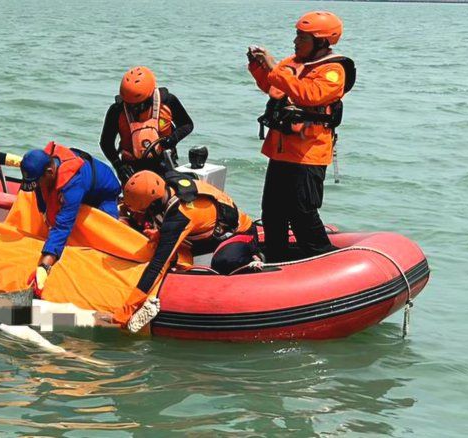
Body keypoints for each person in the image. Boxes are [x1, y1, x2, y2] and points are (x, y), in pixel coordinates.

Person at [247, 11, 356, 262]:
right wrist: (259, 67)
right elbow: (274, 87)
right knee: (272, 210)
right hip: (281, 150)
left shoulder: (333, 70)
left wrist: (274, 67)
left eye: (301, 37)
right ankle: (276, 256)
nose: (295, 41)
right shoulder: (293, 62)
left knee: (302, 211)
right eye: (296, 35)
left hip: (308, 154)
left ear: (321, 41)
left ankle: (323, 259)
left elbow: (309, 95)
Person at [117, 171, 256, 332]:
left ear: (154, 204)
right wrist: (161, 234)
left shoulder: (180, 216)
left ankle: (251, 258)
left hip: (240, 234)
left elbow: (158, 265)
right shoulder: (167, 186)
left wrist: (129, 307)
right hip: (204, 232)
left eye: (143, 211)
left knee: (223, 262)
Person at [21, 141, 121, 294]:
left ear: (49, 172)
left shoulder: (73, 184)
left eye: (38, 182)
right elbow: (41, 199)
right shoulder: (43, 171)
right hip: (81, 187)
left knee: (105, 240)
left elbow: (62, 227)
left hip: (104, 193)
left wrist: (44, 266)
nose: (37, 186)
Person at [99, 66, 194, 183]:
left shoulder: (168, 101)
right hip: (131, 167)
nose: (134, 108)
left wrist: (172, 139)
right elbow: (106, 143)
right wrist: (119, 166)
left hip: (163, 161)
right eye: (129, 104)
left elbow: (187, 124)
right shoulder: (117, 110)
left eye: (138, 105)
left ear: (150, 96)